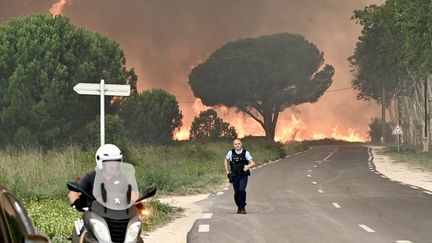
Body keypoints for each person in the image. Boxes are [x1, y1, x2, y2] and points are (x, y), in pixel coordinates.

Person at [68, 144, 137, 208]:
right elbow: (73, 192)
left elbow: (133, 194)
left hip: (118, 213)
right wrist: (77, 204)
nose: (113, 165)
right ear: (101, 162)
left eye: (116, 161)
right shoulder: (91, 177)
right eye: (109, 162)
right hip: (95, 214)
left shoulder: (122, 178)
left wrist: (136, 204)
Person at [224, 138, 256, 214]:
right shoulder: (230, 153)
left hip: (243, 175)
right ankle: (239, 206)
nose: (237, 145)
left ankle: (243, 207)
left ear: (241, 144)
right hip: (234, 175)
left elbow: (253, 163)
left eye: (238, 144)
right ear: (233, 145)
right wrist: (227, 172)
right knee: (237, 192)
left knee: (242, 190)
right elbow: (225, 160)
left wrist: (248, 166)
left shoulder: (246, 153)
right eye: (235, 144)